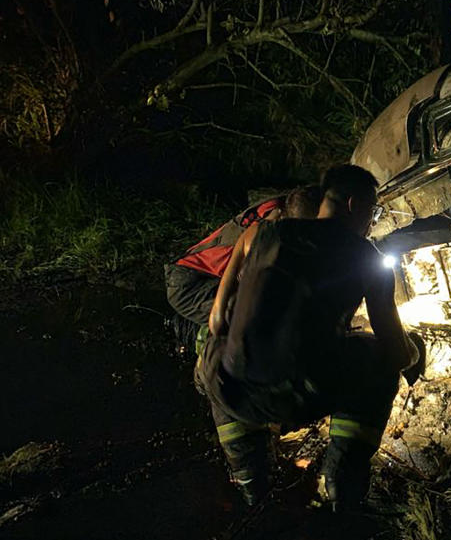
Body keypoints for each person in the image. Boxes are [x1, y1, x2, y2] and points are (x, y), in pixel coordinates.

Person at [198, 164, 419, 508]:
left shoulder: (260, 235)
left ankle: (250, 478)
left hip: (234, 390)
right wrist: (413, 352)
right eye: (372, 211)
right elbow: (395, 351)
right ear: (353, 204)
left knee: (211, 349)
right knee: (379, 360)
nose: (371, 221)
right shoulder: (367, 258)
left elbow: (214, 322)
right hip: (304, 399)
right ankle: (341, 481)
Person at [164, 186, 321, 354]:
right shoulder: (261, 240)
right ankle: (199, 341)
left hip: (195, 272)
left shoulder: (284, 204)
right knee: (251, 319)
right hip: (189, 285)